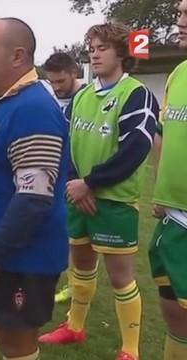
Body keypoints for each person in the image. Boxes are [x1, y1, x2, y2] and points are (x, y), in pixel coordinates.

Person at [39, 23, 159, 360]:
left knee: (120, 277)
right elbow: (69, 144)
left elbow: (136, 148)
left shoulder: (136, 93)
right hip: (78, 196)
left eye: (102, 47)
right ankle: (74, 327)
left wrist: (90, 183)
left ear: (121, 52)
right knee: (80, 265)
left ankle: (130, 350)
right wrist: (76, 183)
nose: (94, 52)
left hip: (115, 201)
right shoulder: (82, 96)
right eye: (90, 47)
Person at [0, 18, 69, 360]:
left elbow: (34, 198)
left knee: (16, 346)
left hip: (20, 258)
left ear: (17, 56)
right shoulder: (2, 103)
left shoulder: (33, 109)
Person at [148, 1, 187, 359]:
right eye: (178, 13)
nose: (180, 21)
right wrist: (161, 190)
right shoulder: (178, 73)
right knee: (174, 316)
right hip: (172, 219)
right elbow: (162, 133)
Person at [43, 52, 85, 303]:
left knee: (73, 236)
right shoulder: (49, 99)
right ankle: (52, 279)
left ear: (74, 73)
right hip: (50, 176)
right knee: (50, 230)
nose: (56, 87)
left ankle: (73, 284)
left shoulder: (86, 98)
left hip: (74, 180)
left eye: (61, 82)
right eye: (52, 82)